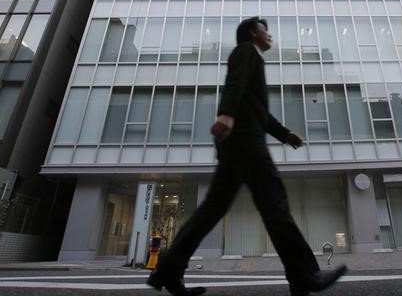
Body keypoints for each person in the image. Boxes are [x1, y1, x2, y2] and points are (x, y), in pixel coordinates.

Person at [147, 17, 347, 296]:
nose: (270, 35)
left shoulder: (253, 58)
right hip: (245, 142)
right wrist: (226, 113)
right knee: (274, 204)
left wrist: (284, 134)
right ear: (254, 32)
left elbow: (257, 109)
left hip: (236, 144)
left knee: (212, 210)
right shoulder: (246, 52)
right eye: (266, 30)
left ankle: (168, 270)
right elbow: (235, 82)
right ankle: (304, 275)